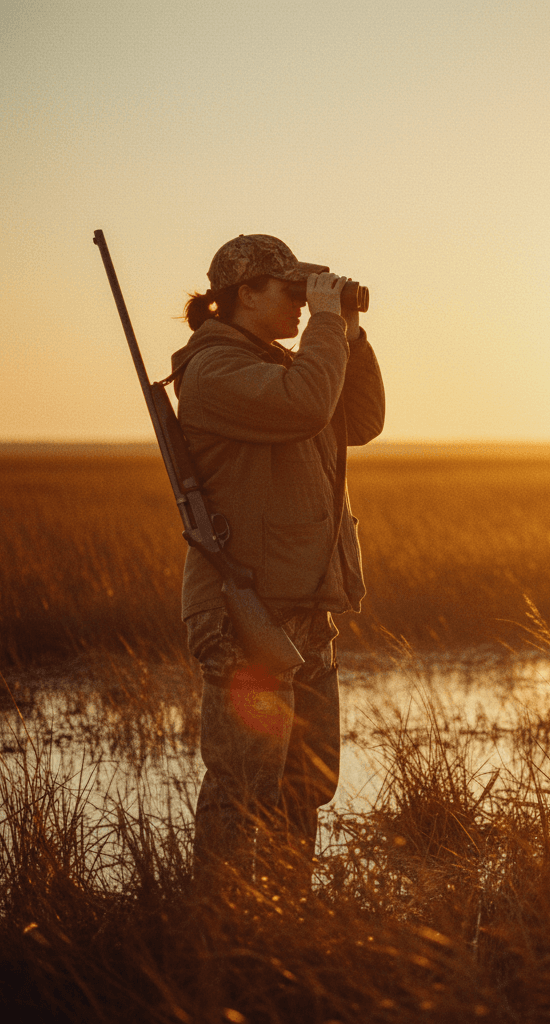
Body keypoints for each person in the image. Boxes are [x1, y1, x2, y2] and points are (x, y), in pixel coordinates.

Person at [170, 233, 385, 890]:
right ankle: (218, 939)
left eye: (306, 292)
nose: (300, 303)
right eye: (288, 290)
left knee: (302, 787)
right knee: (244, 788)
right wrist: (324, 326)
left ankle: (285, 925)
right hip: (247, 613)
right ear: (245, 294)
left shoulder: (287, 366)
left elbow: (361, 419)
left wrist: (348, 335)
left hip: (303, 608)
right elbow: (305, 405)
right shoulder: (214, 371)